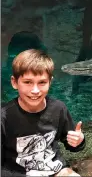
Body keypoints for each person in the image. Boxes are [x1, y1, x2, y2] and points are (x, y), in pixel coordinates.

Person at [1, 49, 85, 177]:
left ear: (50, 82)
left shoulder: (58, 109)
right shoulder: (4, 116)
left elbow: (72, 146)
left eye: (42, 82)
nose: (35, 90)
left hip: (56, 170)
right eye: (27, 82)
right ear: (14, 82)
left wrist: (79, 141)